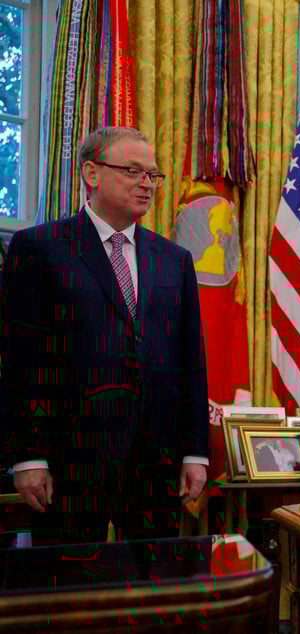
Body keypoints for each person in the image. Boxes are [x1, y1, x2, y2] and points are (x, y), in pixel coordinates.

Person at [0, 126, 209, 544]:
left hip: (156, 463)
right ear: (91, 173)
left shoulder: (175, 260)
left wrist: (195, 452)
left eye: (152, 174)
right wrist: (28, 456)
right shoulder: (39, 248)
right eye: (133, 171)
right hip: (69, 461)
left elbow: (190, 363)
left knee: (155, 581)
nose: (146, 184)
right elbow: (21, 362)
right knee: (68, 582)